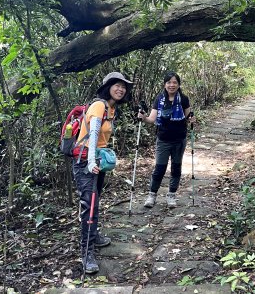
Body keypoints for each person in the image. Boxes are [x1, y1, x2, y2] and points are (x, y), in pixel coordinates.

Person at [73, 71, 132, 274]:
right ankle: (86, 254)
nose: (121, 89)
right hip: (85, 162)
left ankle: (94, 236)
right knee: (88, 206)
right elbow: (94, 133)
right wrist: (91, 162)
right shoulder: (99, 106)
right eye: (117, 85)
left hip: (95, 160)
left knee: (95, 201)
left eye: (124, 87)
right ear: (108, 87)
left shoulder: (111, 108)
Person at [137, 71, 194, 209]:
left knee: (176, 167)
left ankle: (171, 195)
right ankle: (152, 195)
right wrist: (143, 118)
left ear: (179, 84)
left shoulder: (184, 99)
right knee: (160, 168)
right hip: (163, 139)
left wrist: (192, 120)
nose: (172, 85)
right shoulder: (159, 99)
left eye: (175, 82)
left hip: (179, 139)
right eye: (169, 82)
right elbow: (152, 119)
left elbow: (189, 117)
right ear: (165, 84)